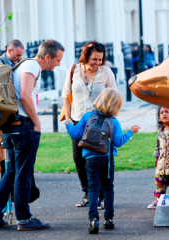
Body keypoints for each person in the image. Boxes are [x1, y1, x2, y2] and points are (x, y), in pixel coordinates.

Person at [0, 39, 65, 230]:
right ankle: (24, 218)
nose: (58, 64)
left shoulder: (23, 65)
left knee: (12, 171)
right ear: (47, 57)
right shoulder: (32, 66)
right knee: (23, 174)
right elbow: (25, 96)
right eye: (57, 60)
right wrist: (36, 122)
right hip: (23, 127)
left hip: (10, 127)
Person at [64, 88, 141, 234]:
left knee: (93, 188)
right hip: (107, 159)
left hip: (90, 159)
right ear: (116, 106)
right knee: (108, 188)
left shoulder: (87, 116)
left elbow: (75, 134)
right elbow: (118, 142)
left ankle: (93, 219)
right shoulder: (113, 122)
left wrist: (68, 123)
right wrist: (131, 132)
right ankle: (109, 219)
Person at [62, 41, 117, 209]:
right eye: (94, 59)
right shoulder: (74, 70)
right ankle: (88, 192)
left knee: (99, 158)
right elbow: (66, 95)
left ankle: (100, 195)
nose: (98, 63)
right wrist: (69, 118)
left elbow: (114, 97)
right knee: (79, 158)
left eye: (100, 59)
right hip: (79, 120)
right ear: (86, 56)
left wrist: (110, 120)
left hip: (99, 122)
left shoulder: (106, 72)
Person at [0, 39, 25, 173]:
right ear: (9, 50)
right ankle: (0, 170)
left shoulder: (17, 62)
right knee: (1, 142)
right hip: (3, 110)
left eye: (21, 55)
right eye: (17, 55)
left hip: (15, 109)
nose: (19, 58)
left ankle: (10, 172)